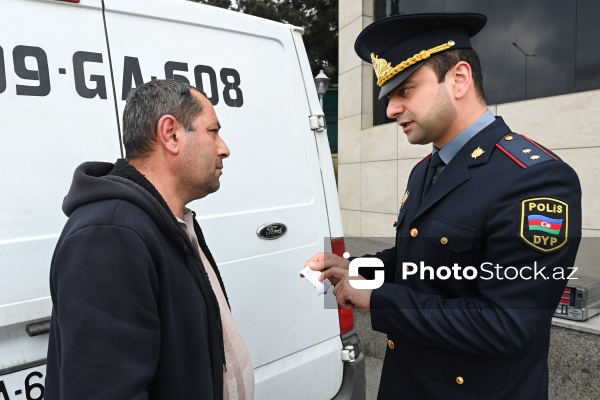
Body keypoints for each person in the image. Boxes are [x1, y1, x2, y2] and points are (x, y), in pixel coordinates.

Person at [307, 12, 582, 400]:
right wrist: (359, 269)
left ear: (459, 79)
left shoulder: (534, 180)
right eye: (388, 96)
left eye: (405, 90)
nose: (390, 109)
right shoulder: (426, 169)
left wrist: (378, 297)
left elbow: (509, 326)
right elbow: (422, 258)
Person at [45, 79, 254, 399]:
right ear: (171, 134)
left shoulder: (170, 222)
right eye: (213, 131)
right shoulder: (108, 236)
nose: (224, 147)